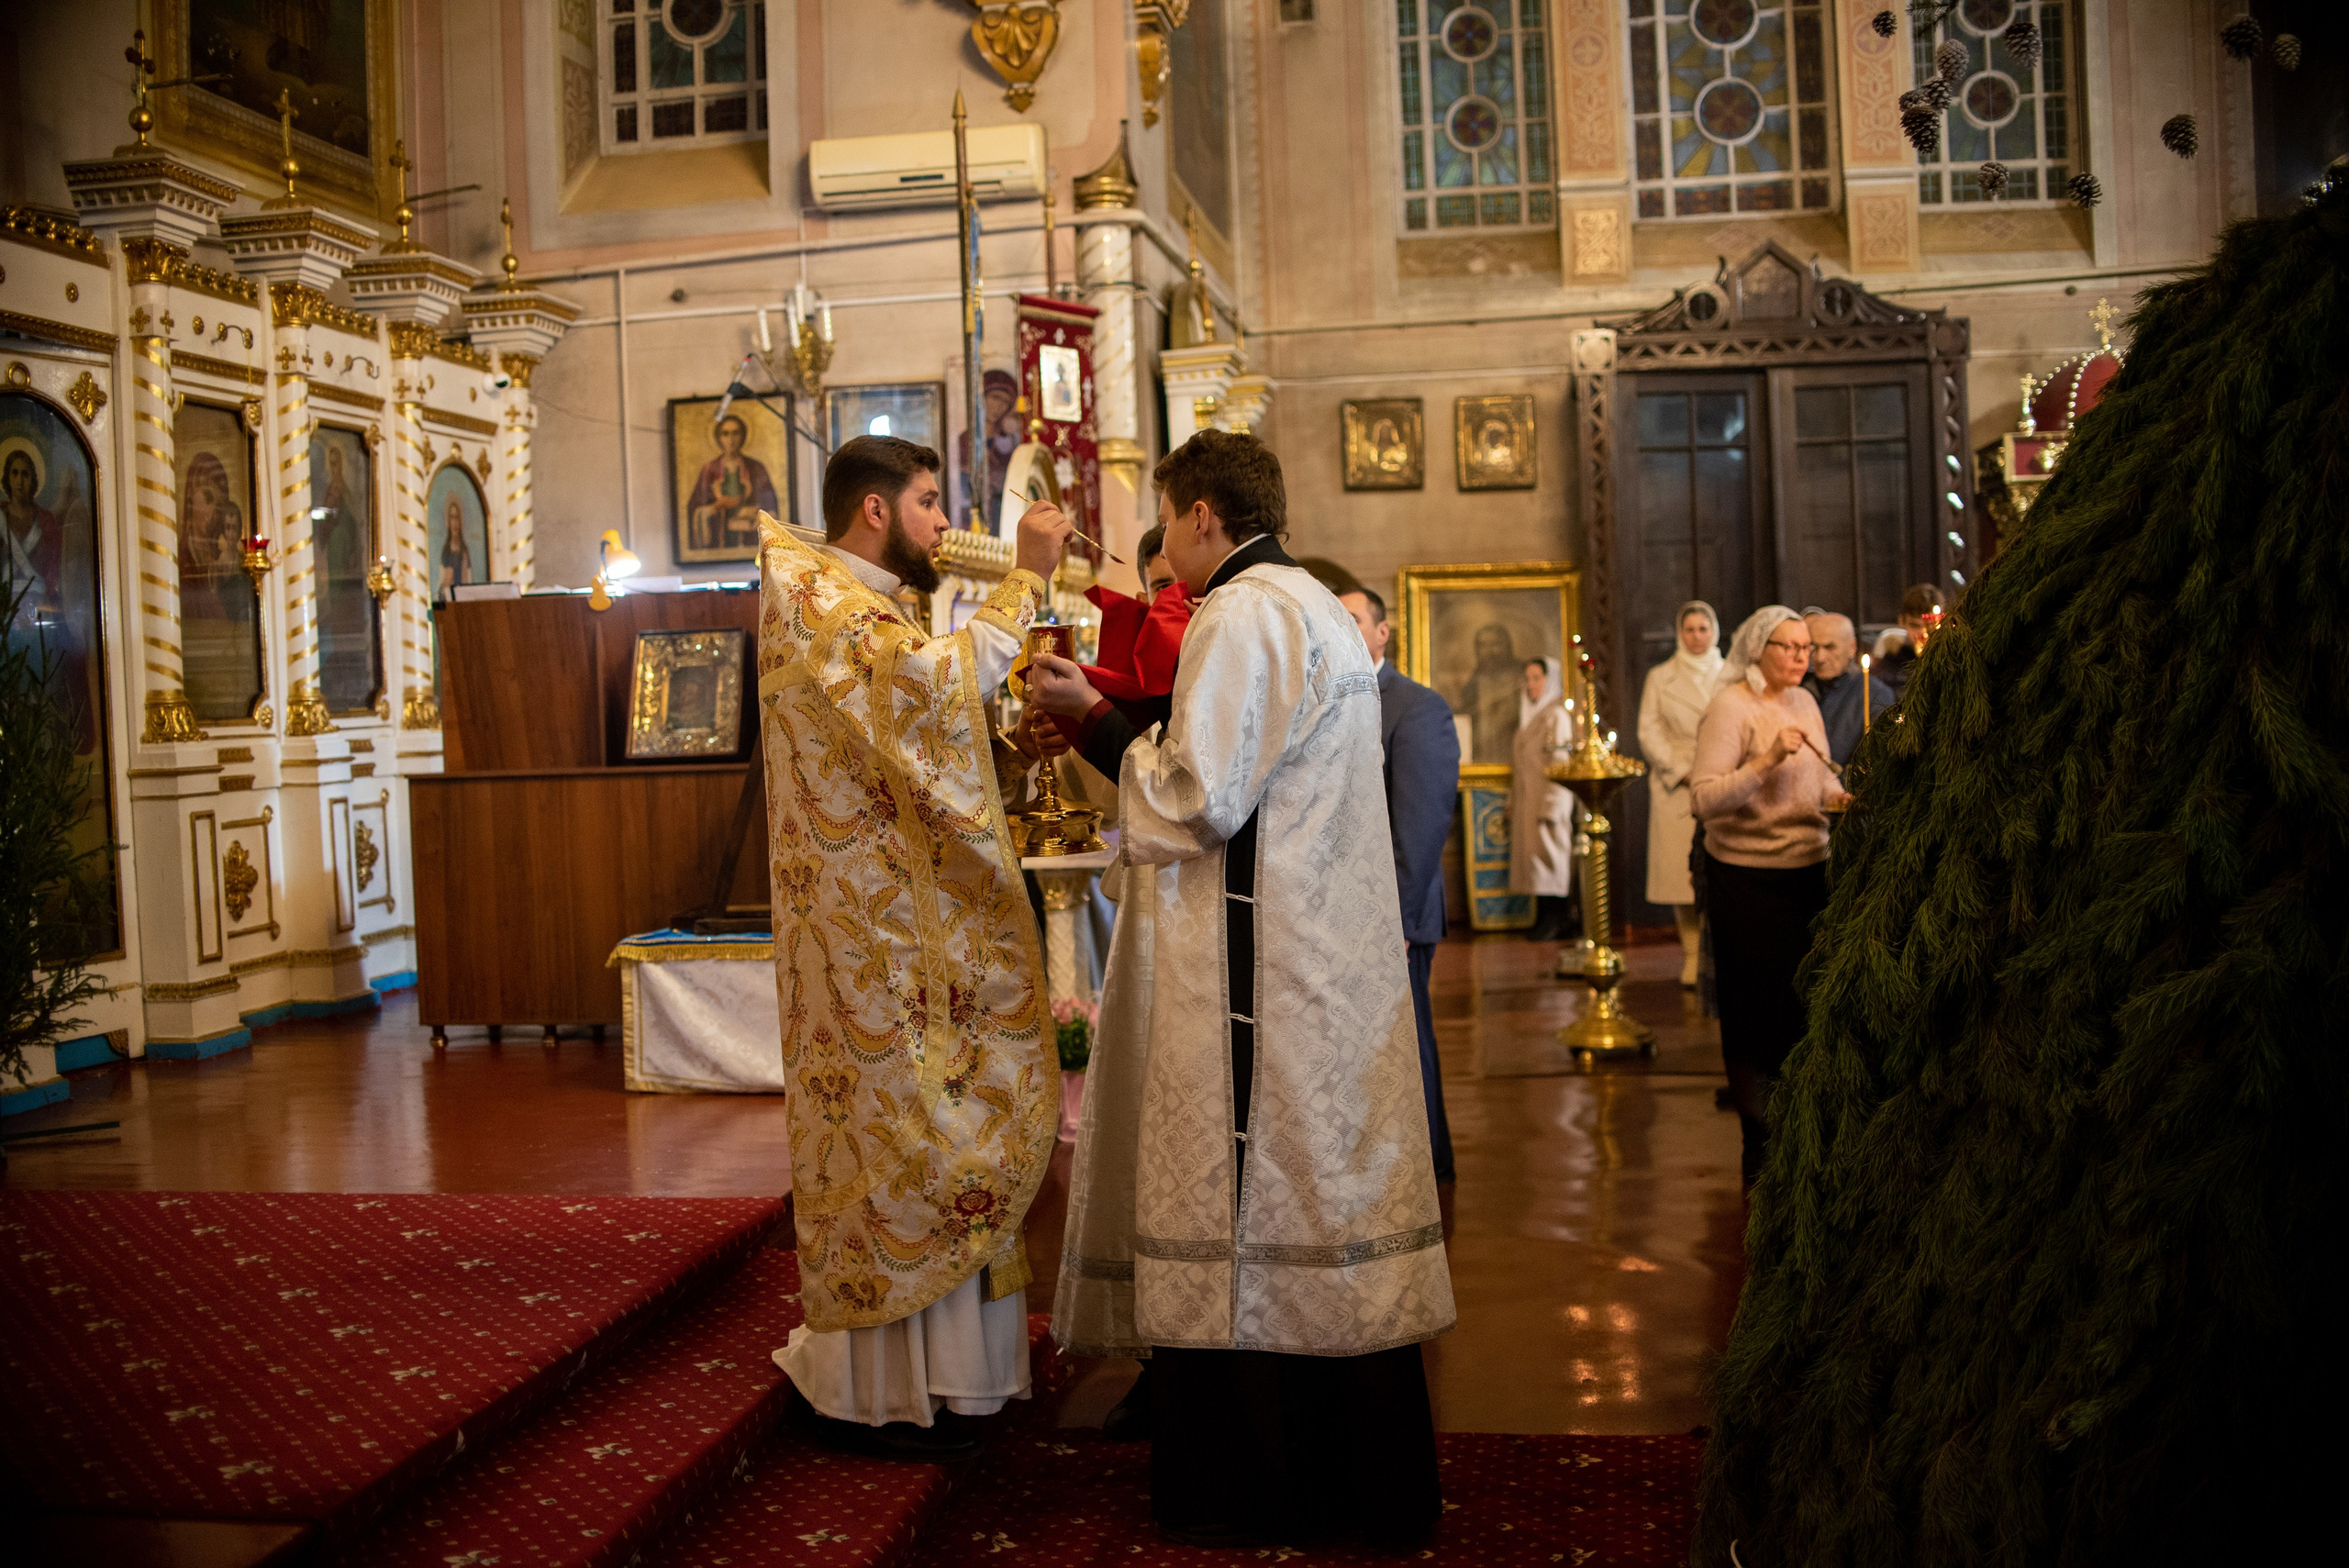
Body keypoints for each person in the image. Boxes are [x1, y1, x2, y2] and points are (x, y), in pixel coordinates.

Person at [1032, 429, 1453, 1551]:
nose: (1163, 546)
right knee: (1322, 1208)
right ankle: (1356, 1483)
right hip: (1317, 961)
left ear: (1204, 513)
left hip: (1260, 986)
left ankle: (1251, 1487)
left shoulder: (1240, 608)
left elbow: (1194, 796)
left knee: (1258, 1212)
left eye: (1167, 521)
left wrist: (1089, 717)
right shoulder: (1312, 602)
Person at [757, 434, 1073, 1464]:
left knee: (940, 1134)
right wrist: (1025, 574)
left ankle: (955, 1376)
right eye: (932, 502)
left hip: (902, 927)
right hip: (869, 945)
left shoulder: (869, 603)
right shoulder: (818, 598)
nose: (946, 522)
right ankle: (885, 1386)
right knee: (906, 1141)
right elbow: (928, 684)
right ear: (877, 512)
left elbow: (925, 727)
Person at [1690, 606, 1851, 1183]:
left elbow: (1823, 779)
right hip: (1746, 877)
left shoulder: (1805, 702)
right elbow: (1704, 799)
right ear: (1759, 647)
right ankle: (1756, 1136)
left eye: (1808, 647)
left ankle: (1799, 1122)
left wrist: (1844, 800)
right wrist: (1765, 761)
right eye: (1789, 647)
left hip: (1809, 868)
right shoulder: (1731, 706)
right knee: (1752, 1007)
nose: (1802, 657)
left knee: (1799, 1003)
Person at [1336, 580, 1462, 1187]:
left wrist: (1398, 922)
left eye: (1353, 620)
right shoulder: (1324, 697)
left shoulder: (1418, 707)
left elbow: (1419, 827)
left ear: (1382, 631)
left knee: (1406, 1041)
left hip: (1396, 913)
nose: (1343, 631)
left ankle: (1429, 1166)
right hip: (1342, 908)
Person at [1639, 601, 1722, 988]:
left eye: (1703, 628)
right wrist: (1680, 770)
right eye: (1689, 629)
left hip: (1722, 779)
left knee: (1718, 871)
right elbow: (1649, 730)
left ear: (1714, 631)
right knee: (1680, 878)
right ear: (1679, 633)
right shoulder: (1661, 677)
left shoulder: (1731, 673)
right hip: (1678, 784)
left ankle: (1716, 955)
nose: (1696, 636)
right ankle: (1691, 956)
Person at [1508, 657, 1580, 945]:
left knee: (1552, 861)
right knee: (1537, 864)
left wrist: (1554, 803)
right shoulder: (1530, 715)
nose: (1531, 684)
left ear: (1549, 680)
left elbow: (1561, 764)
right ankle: (1544, 918)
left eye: (1537, 678)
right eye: (1528, 678)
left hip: (1549, 801)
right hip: (1529, 800)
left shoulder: (1556, 716)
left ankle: (1560, 919)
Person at [1801, 610, 1896, 764]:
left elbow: (1872, 761)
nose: (1820, 658)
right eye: (1814, 648)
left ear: (1852, 647)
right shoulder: (1801, 688)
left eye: (1829, 647)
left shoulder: (1876, 695)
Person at [687, 413, 782, 552]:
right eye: (725, 434)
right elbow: (694, 508)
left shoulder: (756, 468)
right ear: (719, 438)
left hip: (749, 539)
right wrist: (715, 506)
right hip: (717, 537)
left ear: (743, 436)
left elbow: (771, 508)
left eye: (735, 433)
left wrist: (754, 511)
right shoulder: (709, 470)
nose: (731, 439)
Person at [1453, 622, 1522, 765]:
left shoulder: (1522, 676)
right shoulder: (1473, 683)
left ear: (1506, 646)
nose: (1490, 651)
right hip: (1483, 750)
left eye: (1495, 644)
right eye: (1483, 645)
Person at [1876, 583, 1943, 698]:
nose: (1924, 633)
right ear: (1902, 621)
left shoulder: (1952, 661)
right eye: (1915, 626)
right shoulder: (1890, 666)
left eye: (1930, 626)